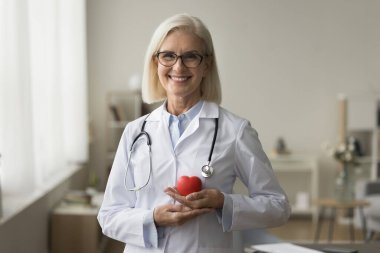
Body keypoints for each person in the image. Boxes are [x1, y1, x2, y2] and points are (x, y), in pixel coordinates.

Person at [97, 13, 290, 253]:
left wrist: (223, 202)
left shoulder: (235, 130)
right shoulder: (136, 132)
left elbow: (277, 206)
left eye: (191, 57)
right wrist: (153, 218)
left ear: (206, 64)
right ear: (156, 62)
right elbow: (109, 216)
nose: (178, 66)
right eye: (168, 55)